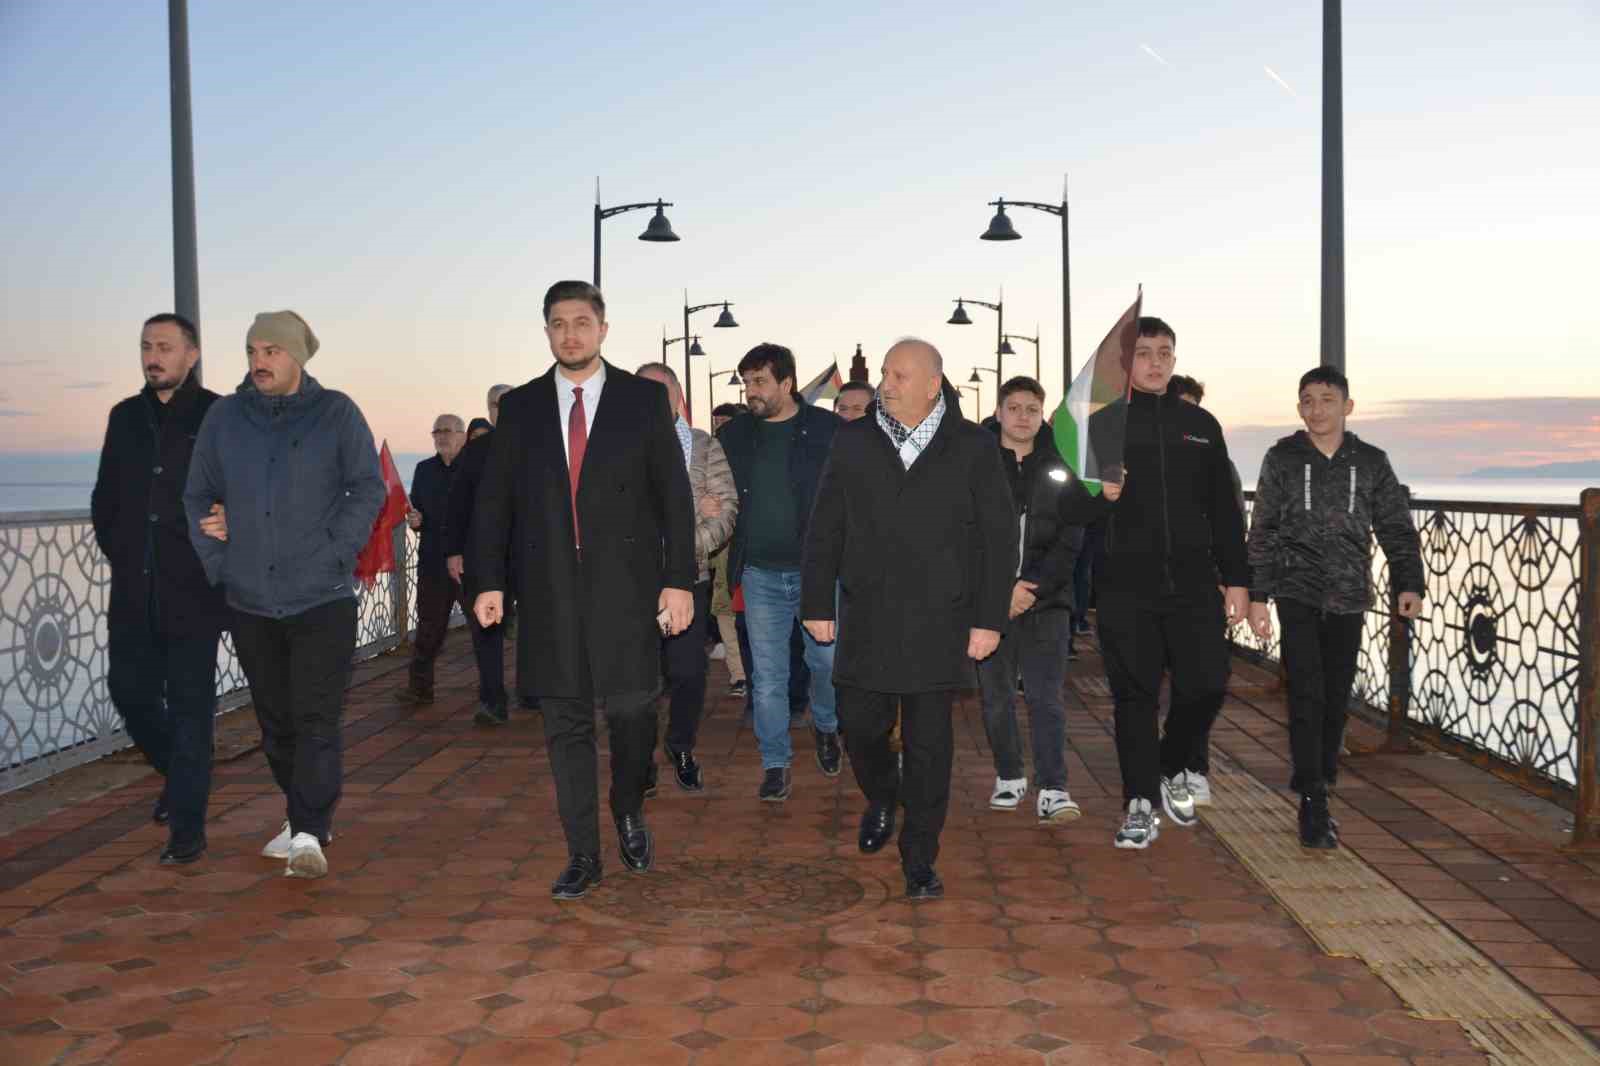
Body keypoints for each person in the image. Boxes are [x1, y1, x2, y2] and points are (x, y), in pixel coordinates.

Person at [471, 281, 695, 901]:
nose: (569, 334)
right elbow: (494, 504)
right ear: (546, 331)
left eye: (581, 322)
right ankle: (583, 855)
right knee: (565, 726)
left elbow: (674, 500)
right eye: (557, 324)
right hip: (548, 596)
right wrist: (489, 581)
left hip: (628, 591)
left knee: (631, 712)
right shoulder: (518, 409)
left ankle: (628, 805)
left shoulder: (644, 400)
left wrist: (679, 579)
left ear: (602, 328)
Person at [803, 339, 1016, 900]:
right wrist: (817, 604)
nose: (885, 384)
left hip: (941, 620)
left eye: (898, 375)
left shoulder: (973, 446)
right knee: (859, 725)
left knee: (930, 743)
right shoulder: (851, 439)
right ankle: (881, 794)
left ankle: (920, 854)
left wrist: (988, 618)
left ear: (931, 384)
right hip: (867, 614)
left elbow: (997, 540)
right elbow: (826, 525)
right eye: (883, 373)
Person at [185, 310, 384, 879]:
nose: (258, 362)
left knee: (317, 717)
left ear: (297, 356)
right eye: (252, 350)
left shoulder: (336, 412)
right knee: (275, 722)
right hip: (250, 598)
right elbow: (197, 495)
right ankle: (304, 812)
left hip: (322, 595)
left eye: (271, 350)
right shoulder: (225, 418)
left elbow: (367, 486)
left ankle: (307, 831)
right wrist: (221, 562)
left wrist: (338, 550)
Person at [1247, 365, 1423, 849]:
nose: (1316, 409)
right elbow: (1262, 530)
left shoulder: (1370, 462)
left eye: (1327, 399)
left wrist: (1408, 581)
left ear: (1347, 406)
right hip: (1296, 593)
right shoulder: (1282, 458)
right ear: (1299, 407)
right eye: (1307, 400)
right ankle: (1313, 800)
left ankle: (1321, 776)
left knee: (1336, 695)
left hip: (1349, 595)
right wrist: (1259, 596)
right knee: (1305, 692)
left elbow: (1395, 526)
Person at [1090, 317, 1248, 850]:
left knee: (1207, 682)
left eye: (1165, 352)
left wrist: (1239, 581)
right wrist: (1099, 495)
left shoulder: (1201, 424)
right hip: (1124, 585)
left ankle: (1167, 764)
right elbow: (1070, 506)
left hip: (1194, 583)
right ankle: (1139, 803)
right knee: (1133, 696)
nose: (1156, 362)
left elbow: (1225, 511)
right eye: (1145, 353)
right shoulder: (1103, 424)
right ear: (1126, 363)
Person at [91, 313, 226, 865]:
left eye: (165, 347)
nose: (153, 356)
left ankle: (188, 831)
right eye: (147, 346)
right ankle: (183, 776)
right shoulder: (124, 417)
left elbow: (235, 493)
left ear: (191, 355)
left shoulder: (219, 415)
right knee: (130, 693)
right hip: (132, 592)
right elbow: (106, 501)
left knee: (193, 708)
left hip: (192, 591)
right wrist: (124, 554)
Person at [719, 343, 843, 801]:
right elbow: (714, 484)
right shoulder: (734, 436)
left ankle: (826, 725)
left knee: (825, 662)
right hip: (758, 573)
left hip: (818, 574)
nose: (750, 391)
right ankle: (775, 763)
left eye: (759, 382)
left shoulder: (829, 430)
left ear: (786, 383)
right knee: (767, 676)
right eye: (746, 382)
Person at [978, 376, 1098, 822]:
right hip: (991, 603)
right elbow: (965, 532)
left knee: (1046, 697)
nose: (1022, 417)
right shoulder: (977, 461)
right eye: (1014, 408)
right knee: (996, 697)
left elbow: (1072, 536)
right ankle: (1009, 775)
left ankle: (1053, 787)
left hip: (1047, 601)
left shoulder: (1062, 460)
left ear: (1042, 414)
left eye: (1032, 409)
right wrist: (999, 591)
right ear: (999, 412)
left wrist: (1031, 587)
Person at [636, 362, 738, 792]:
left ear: (679, 395)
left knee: (688, 672)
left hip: (687, 578)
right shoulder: (620, 447)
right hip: (632, 583)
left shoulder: (704, 446)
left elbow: (727, 508)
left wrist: (680, 550)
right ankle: (639, 760)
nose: (656, 400)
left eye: (663, 391)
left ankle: (680, 745)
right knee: (637, 678)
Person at [446, 386, 518, 725]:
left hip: (530, 557)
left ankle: (533, 691)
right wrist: (454, 551)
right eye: (497, 405)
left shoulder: (540, 447)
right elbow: (457, 504)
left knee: (537, 626)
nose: (502, 410)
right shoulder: (475, 453)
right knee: (486, 629)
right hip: (483, 556)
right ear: (488, 410)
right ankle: (493, 700)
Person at [397, 413, 468, 705]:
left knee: (484, 628)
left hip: (469, 562)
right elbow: (419, 515)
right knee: (429, 626)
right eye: (436, 431)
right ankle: (419, 689)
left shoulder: (475, 468)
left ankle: (493, 693)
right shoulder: (423, 469)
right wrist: (415, 520)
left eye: (447, 430)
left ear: (462, 435)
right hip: (433, 561)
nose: (441, 436)